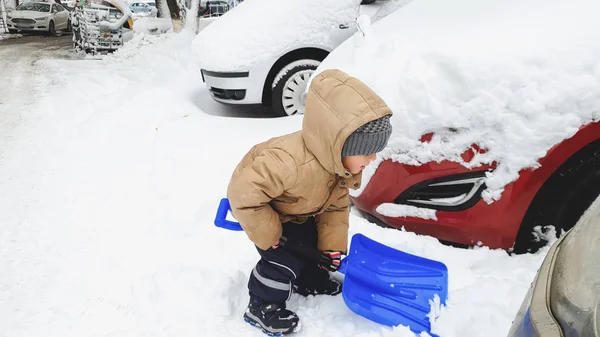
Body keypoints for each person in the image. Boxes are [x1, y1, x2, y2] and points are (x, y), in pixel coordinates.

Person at [227, 69, 393, 335]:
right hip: (264, 210)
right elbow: (242, 194)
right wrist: (267, 232)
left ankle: (310, 279)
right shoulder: (290, 163)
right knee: (283, 260)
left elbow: (336, 208)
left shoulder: (340, 167)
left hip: (298, 209)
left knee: (312, 245)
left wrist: (331, 247)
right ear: (342, 146)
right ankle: (261, 305)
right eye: (367, 151)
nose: (372, 159)